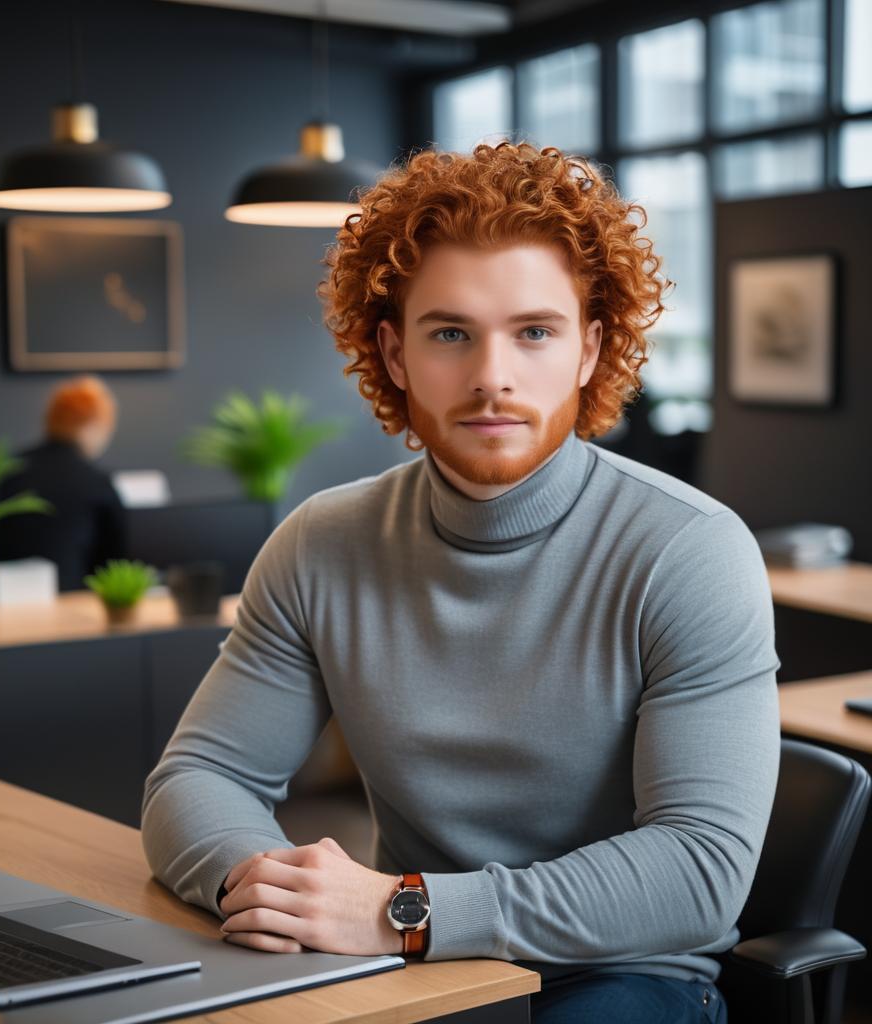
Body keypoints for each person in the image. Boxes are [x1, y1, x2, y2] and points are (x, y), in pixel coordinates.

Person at [141, 143, 779, 1023]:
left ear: (591, 350)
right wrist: (267, 886)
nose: (492, 378)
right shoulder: (321, 544)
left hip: (619, 973)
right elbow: (197, 778)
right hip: (411, 970)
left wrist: (403, 910)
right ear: (395, 355)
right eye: (451, 333)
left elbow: (699, 870)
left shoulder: (690, 551)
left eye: (534, 331)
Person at [0, 375, 127, 590]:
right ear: (93, 426)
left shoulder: (10, 470)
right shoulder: (95, 482)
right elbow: (116, 561)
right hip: (75, 604)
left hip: (7, 601)